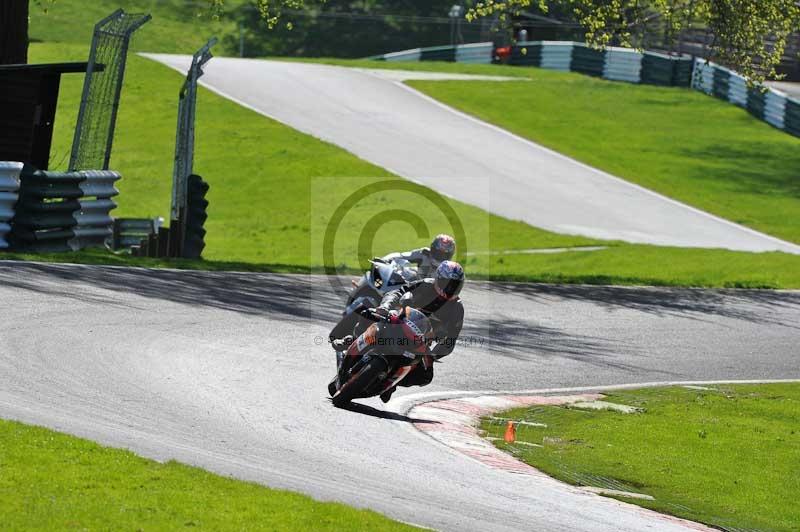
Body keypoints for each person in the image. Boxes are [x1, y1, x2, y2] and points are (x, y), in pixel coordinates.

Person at [373, 260, 465, 402]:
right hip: (399, 323)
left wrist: (433, 356)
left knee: (425, 376)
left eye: (455, 285)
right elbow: (399, 291)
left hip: (420, 342)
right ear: (438, 279)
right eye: (447, 283)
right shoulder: (425, 285)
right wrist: (385, 306)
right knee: (374, 317)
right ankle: (352, 340)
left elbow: (450, 340)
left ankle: (392, 382)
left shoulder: (457, 308)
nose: (450, 288)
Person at [381, 234, 456, 278]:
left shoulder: (450, 269)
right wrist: (384, 260)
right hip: (413, 287)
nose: (440, 256)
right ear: (432, 249)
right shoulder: (424, 253)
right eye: (438, 253)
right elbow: (400, 256)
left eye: (444, 254)